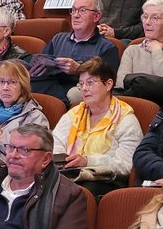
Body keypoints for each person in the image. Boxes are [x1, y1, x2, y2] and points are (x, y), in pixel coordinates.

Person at [52, 59, 143, 197]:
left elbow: (126, 165)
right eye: (81, 84)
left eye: (90, 83)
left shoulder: (126, 120)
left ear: (108, 84)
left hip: (105, 182)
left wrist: (88, 161)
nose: (84, 89)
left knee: (76, 191)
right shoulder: (74, 114)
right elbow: (56, 143)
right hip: (69, 174)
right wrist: (61, 161)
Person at [28, 0, 120, 104]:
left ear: (96, 17)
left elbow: (105, 84)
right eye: (73, 10)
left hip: (78, 89)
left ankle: (59, 106)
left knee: (73, 94)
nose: (75, 15)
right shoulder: (58, 39)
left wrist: (78, 69)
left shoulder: (107, 48)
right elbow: (42, 63)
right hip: (53, 84)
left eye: (82, 11)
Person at [115, 0, 163, 106]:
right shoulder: (132, 50)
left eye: (154, 18)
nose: (147, 22)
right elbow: (121, 85)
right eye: (145, 17)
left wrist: (157, 50)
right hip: (129, 105)